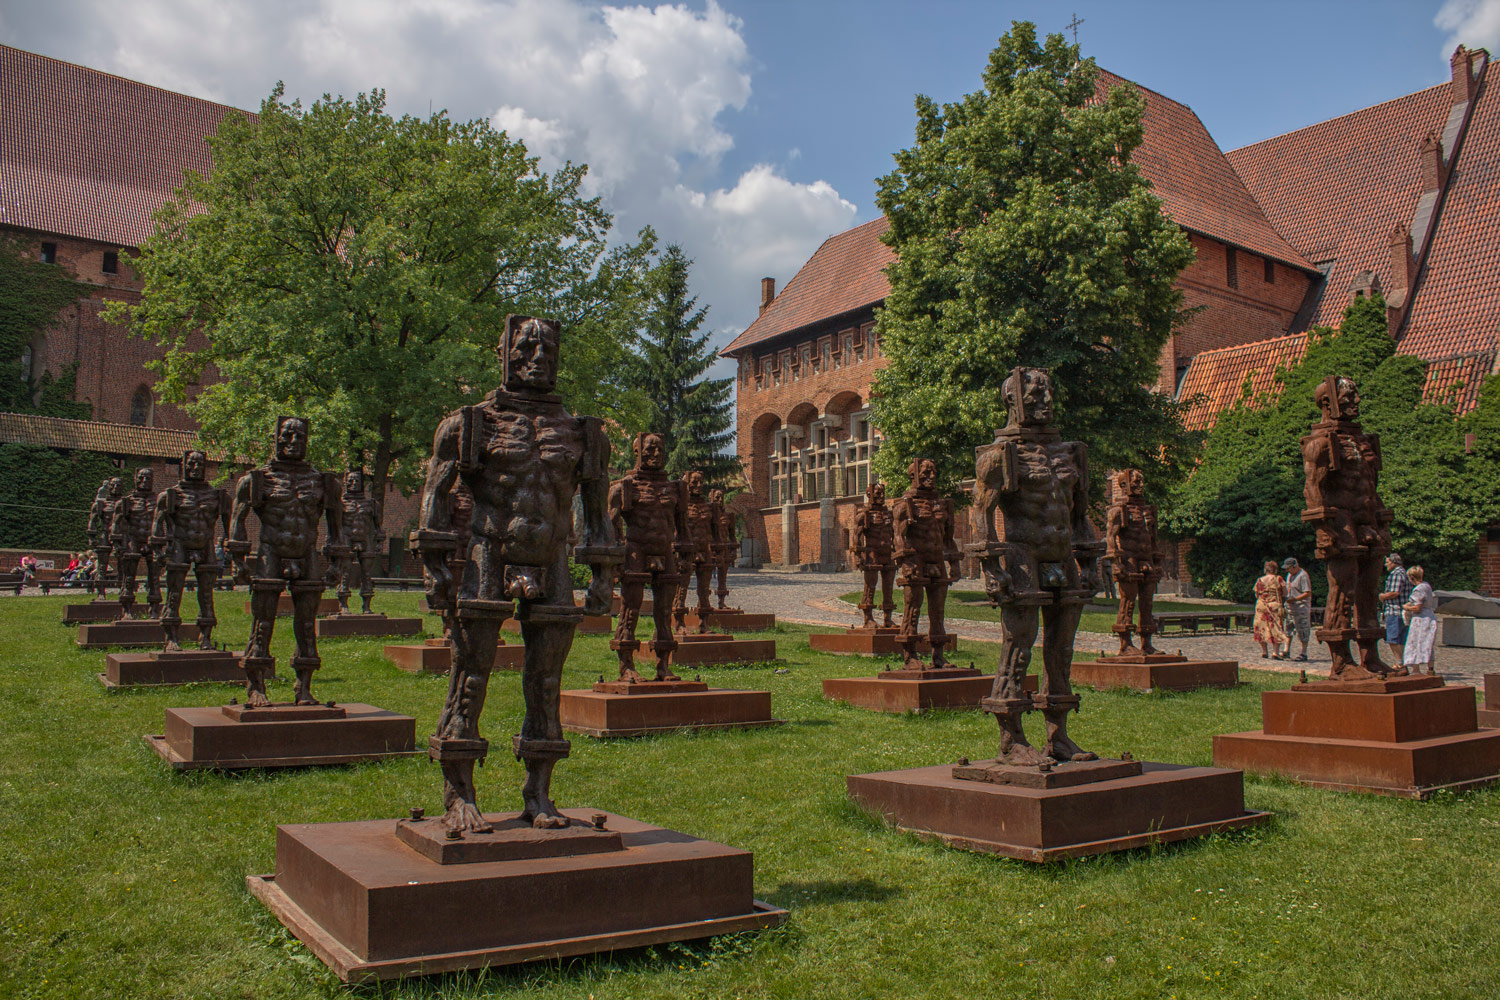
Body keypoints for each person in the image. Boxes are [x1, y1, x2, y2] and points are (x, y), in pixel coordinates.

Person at [1402, 565, 1438, 675]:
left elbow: (1418, 608)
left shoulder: (1418, 589)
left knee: (1414, 642)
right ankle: (1430, 668)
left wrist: (1406, 607)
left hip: (1421, 619)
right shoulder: (1426, 586)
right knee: (1428, 642)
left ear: (1412, 577)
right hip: (1429, 616)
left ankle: (1415, 669)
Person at [1378, 552, 1411, 664]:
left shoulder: (1396, 574)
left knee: (1392, 638)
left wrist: (1382, 596)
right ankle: (1401, 662)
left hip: (1394, 610)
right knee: (1400, 639)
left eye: (1387, 562)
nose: (1386, 565)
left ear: (1394, 562)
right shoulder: (1404, 573)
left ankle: (1399, 662)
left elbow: (1395, 592)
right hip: (1401, 612)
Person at [1253, 560, 1288, 659]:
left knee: (1261, 628)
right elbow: (1285, 592)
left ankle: (1264, 651)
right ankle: (1275, 653)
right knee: (1276, 628)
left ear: (1265, 570)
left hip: (1261, 605)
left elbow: (1256, 594)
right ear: (1275, 570)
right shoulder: (1278, 579)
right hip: (1274, 606)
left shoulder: (1259, 580)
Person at [1281, 557, 1312, 661]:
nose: (1287, 570)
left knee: (1302, 630)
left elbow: (1307, 593)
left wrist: (1295, 599)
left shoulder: (1303, 576)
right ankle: (1286, 650)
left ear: (1294, 566)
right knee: (1288, 629)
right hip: (1290, 607)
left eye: (1288, 568)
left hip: (1300, 608)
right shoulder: (1289, 575)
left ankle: (1303, 653)